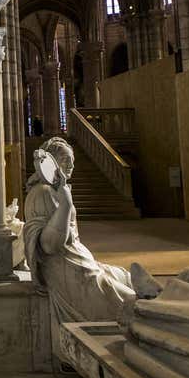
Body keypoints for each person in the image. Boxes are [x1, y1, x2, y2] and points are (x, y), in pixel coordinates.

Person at [23, 137, 135, 323]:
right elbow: (50, 246)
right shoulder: (42, 192)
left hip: (79, 262)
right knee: (130, 303)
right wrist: (66, 204)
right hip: (69, 271)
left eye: (73, 161)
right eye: (66, 160)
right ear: (51, 162)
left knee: (125, 277)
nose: (71, 165)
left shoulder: (55, 189)